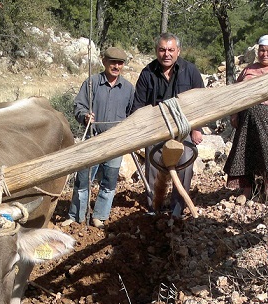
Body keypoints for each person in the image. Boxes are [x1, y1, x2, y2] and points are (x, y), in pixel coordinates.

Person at [131, 32, 204, 218]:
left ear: (178, 51)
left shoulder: (191, 71)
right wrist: (140, 134)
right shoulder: (147, 73)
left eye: (171, 50)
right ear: (157, 51)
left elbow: (201, 103)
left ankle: (177, 210)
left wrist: (197, 129)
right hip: (156, 128)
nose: (167, 54)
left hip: (184, 127)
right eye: (162, 50)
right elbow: (138, 106)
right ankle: (154, 208)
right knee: (153, 168)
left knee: (185, 165)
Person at [62, 47, 135, 228]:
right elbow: (78, 106)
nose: (116, 66)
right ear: (104, 62)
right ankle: (75, 216)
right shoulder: (91, 83)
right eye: (112, 62)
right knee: (83, 180)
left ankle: (99, 216)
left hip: (115, 143)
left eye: (120, 63)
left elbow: (132, 113)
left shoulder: (128, 88)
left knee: (109, 182)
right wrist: (85, 115)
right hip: (93, 140)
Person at [223, 35, 268, 203]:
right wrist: (234, 114)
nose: (264, 54)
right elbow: (236, 94)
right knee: (244, 153)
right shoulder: (248, 71)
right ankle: (247, 190)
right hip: (247, 120)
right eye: (261, 50)